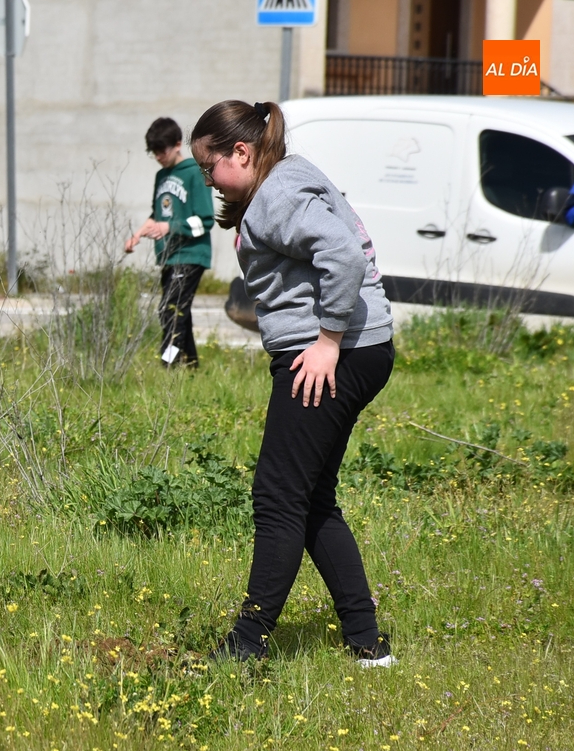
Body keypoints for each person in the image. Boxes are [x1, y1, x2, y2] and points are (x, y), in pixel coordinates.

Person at [190, 101, 397, 667]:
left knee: (278, 496)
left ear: (241, 152)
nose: (208, 180)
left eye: (209, 167)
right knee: (310, 498)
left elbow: (343, 255)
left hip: (334, 354)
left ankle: (247, 644)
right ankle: (368, 645)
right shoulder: (283, 179)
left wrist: (327, 340)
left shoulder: (277, 193)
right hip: (355, 350)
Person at [124, 117, 216, 368]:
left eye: (161, 150)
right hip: (169, 256)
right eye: (153, 152)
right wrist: (138, 234)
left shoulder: (195, 172)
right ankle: (191, 366)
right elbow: (157, 214)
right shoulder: (162, 176)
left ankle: (169, 364)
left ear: (177, 144)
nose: (157, 156)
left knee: (170, 310)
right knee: (178, 311)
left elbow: (206, 220)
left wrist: (170, 227)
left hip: (191, 254)